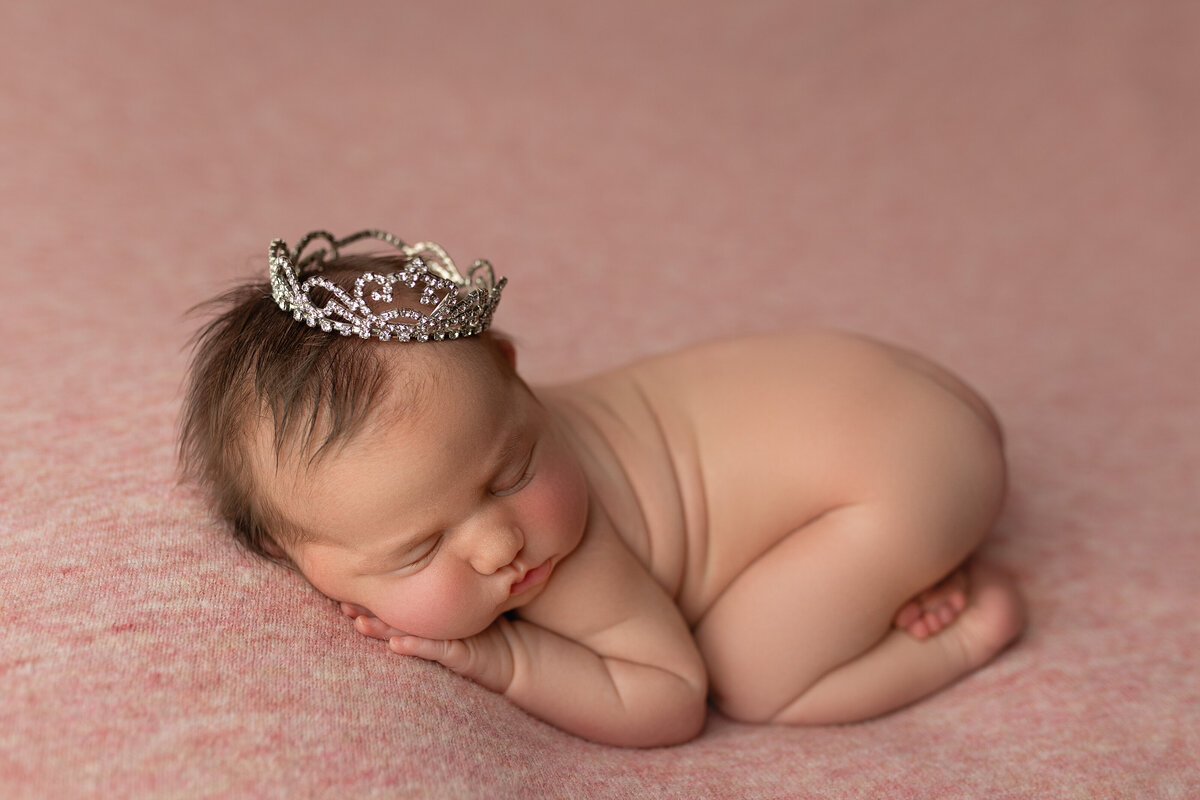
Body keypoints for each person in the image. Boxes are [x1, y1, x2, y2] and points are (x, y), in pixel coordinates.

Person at [179, 230, 1024, 748]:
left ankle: (970, 627)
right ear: (291, 553)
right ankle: (896, 561)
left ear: (514, 377)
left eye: (512, 473)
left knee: (753, 675)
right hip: (876, 389)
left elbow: (669, 698)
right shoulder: (464, 434)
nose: (500, 544)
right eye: (421, 548)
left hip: (908, 468)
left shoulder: (571, 560)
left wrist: (505, 658)